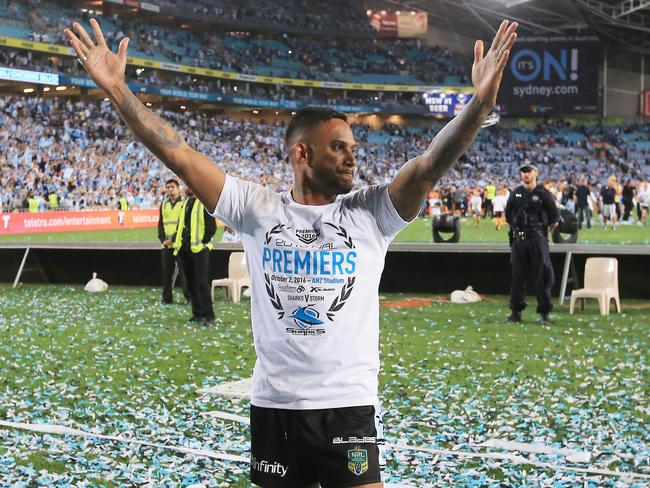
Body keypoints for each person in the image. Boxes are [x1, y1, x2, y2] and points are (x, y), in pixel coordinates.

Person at [65, 17, 518, 487]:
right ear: (302, 155)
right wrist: (118, 90)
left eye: (353, 147)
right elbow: (178, 153)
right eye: (338, 147)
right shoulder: (258, 209)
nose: (351, 157)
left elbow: (428, 166)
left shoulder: (370, 213)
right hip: (275, 406)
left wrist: (479, 105)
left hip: (347, 406)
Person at [505, 164, 559, 324]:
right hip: (520, 240)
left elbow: (554, 219)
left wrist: (540, 232)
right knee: (517, 276)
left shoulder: (544, 194)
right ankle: (516, 312)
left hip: (537, 239)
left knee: (542, 276)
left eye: (529, 171)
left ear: (536, 173)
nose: (526, 174)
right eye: (523, 172)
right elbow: (509, 216)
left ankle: (544, 313)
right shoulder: (516, 194)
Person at [173, 186, 216, 324]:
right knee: (191, 283)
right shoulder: (185, 203)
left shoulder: (203, 203)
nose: (188, 188)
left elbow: (211, 227)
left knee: (202, 283)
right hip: (185, 249)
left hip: (199, 249)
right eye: (187, 185)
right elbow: (182, 224)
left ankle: (209, 315)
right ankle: (197, 313)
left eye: (191, 185)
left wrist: (204, 242)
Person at [158, 178, 190, 304]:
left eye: (172, 187)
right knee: (167, 274)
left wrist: (175, 239)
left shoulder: (184, 203)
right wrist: (163, 239)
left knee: (184, 273)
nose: (170, 189)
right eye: (168, 187)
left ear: (178, 188)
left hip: (180, 244)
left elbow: (185, 224)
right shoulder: (164, 204)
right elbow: (161, 223)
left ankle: (188, 297)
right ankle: (167, 298)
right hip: (166, 245)